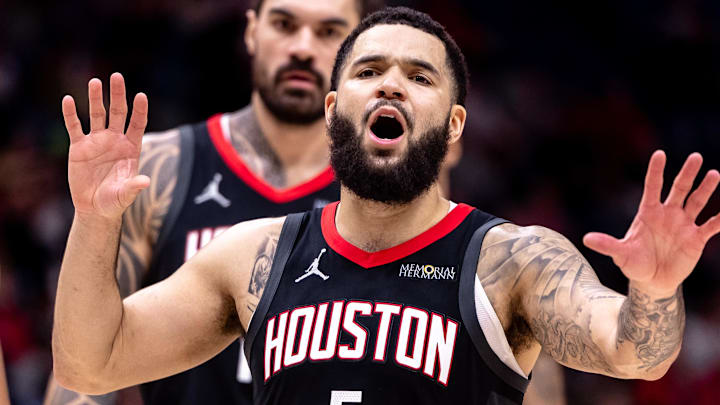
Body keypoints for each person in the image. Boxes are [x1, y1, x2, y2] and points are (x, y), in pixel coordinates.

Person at [52, 7, 720, 404]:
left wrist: (654, 290)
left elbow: (636, 352)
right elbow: (91, 360)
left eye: (419, 76)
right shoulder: (253, 254)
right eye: (369, 71)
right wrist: (96, 220)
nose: (391, 84)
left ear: (455, 125)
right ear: (334, 109)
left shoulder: (513, 259)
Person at [44, 1, 382, 404]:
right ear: (252, 31)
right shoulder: (158, 168)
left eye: (328, 32)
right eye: (284, 24)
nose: (302, 48)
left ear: (360, 50)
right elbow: (86, 367)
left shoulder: (384, 190)